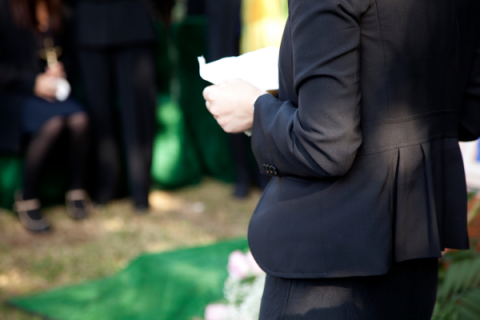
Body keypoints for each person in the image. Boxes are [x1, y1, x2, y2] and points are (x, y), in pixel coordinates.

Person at [203, 0, 480, 318]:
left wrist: (255, 109)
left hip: (327, 258)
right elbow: (468, 115)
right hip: (415, 254)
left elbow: (325, 143)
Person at [0, 0, 91, 233]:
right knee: (53, 123)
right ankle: (27, 197)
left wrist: (61, 69)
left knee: (80, 120)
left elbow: (70, 53)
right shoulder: (5, 8)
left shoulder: (60, 8)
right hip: (15, 93)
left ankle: (76, 189)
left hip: (51, 91)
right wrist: (33, 84)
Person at [74, 0, 157, 212]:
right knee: (98, 112)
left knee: (137, 113)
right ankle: (106, 188)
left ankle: (139, 190)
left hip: (132, 20)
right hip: (91, 24)